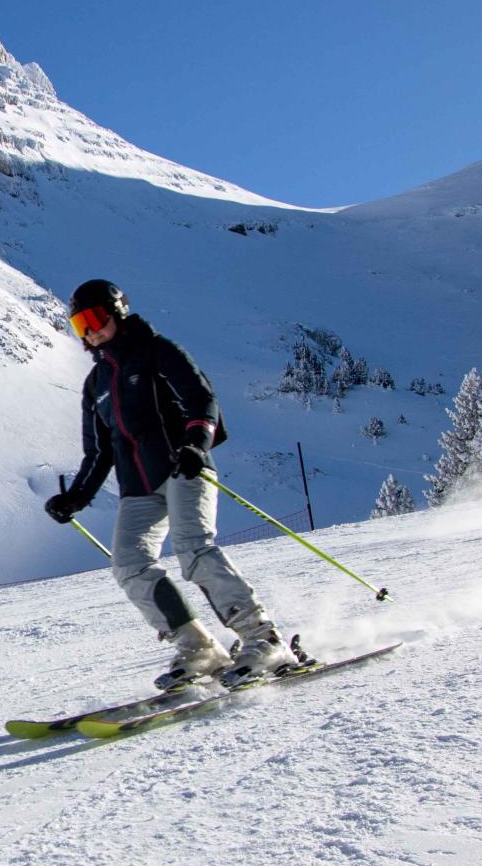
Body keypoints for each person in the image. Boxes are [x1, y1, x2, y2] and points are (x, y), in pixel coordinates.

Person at [44, 279, 298, 690]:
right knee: (128, 565)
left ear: (117, 311)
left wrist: (196, 446)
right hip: (138, 488)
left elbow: (202, 399)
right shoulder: (96, 384)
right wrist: (75, 498)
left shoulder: (157, 351)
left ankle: (263, 639)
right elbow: (98, 454)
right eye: (79, 325)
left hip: (183, 468)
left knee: (193, 551)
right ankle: (198, 647)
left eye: (93, 319)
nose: (89, 332)